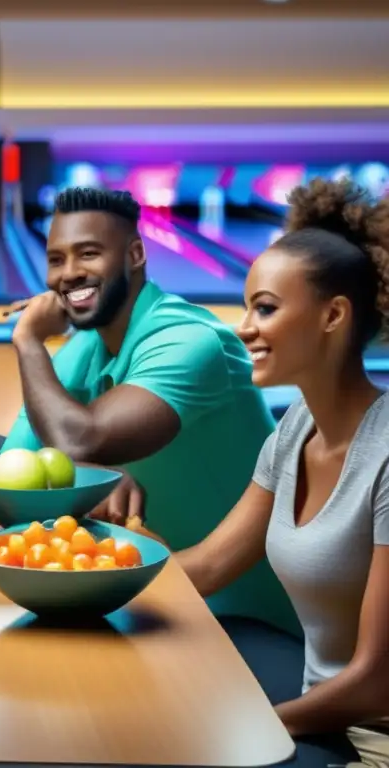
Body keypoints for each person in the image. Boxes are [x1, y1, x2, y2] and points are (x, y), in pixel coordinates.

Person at [0, 186, 297, 635]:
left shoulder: (191, 341)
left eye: (88, 254)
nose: (69, 273)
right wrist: (88, 471)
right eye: (56, 259)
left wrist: (27, 341)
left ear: (136, 254)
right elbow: (11, 476)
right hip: (149, 605)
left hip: (246, 622)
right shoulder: (84, 350)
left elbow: (80, 438)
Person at [170, 179, 389, 765]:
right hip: (318, 716)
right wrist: (85, 571)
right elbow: (211, 565)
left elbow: (375, 682)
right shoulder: (296, 428)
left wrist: (252, 724)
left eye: (264, 308)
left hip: (373, 740)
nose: (244, 327)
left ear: (333, 315)